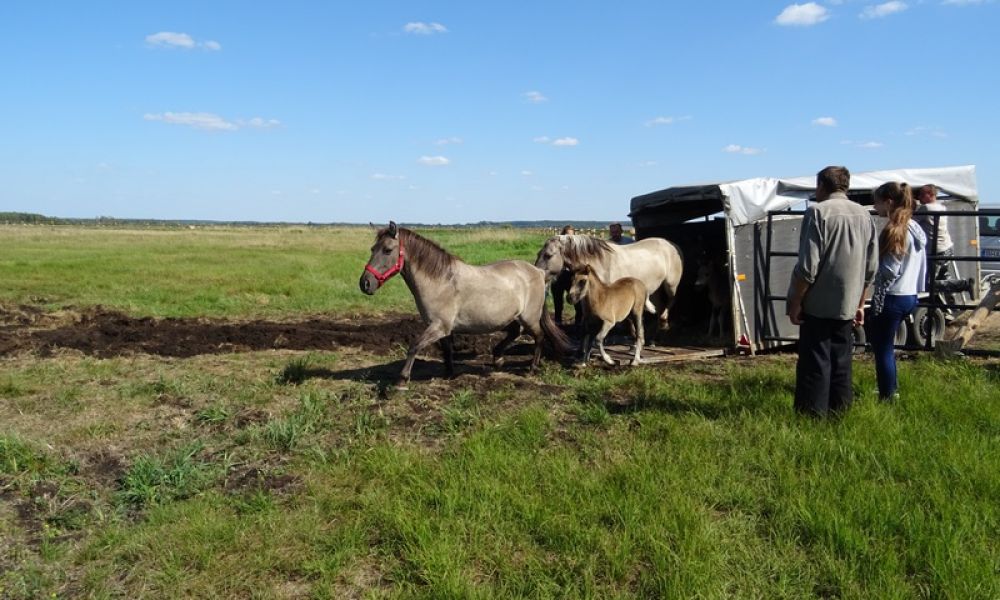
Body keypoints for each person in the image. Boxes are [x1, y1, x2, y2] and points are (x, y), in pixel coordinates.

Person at [787, 166, 877, 416]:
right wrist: (860, 303)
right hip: (848, 302)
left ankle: (812, 416)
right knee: (842, 361)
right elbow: (871, 267)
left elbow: (808, 266)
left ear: (821, 186)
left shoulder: (817, 213)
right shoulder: (864, 214)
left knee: (815, 361)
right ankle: (840, 413)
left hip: (818, 301)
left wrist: (796, 301)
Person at [869, 182, 926, 402]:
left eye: (877, 201)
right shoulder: (915, 228)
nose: (875, 206)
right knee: (887, 346)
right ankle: (890, 388)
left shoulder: (895, 230)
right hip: (910, 294)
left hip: (892, 296)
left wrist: (873, 276)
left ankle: (888, 394)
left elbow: (890, 269)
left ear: (889, 202)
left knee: (882, 348)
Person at [914, 184, 975, 309]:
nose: (918, 197)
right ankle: (953, 307)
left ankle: (964, 284)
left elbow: (910, 220)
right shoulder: (942, 207)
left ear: (931, 195)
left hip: (936, 250)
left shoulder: (926, 208)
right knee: (944, 277)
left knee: (929, 284)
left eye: (921, 194)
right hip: (947, 247)